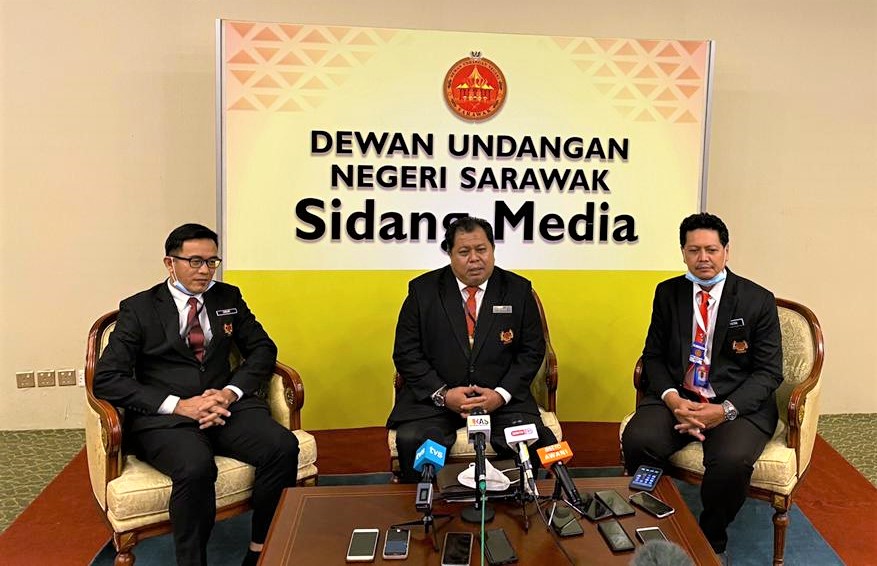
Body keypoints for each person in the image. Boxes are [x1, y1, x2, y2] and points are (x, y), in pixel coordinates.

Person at [93, 223, 299, 566]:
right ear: (169, 263)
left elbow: (263, 348)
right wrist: (179, 405)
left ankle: (261, 549)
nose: (205, 270)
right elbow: (108, 379)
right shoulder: (139, 308)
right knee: (195, 467)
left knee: (282, 446)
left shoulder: (228, 298)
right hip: (167, 419)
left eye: (212, 261)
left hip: (225, 407)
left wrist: (230, 392)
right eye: (195, 261)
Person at [621, 213, 783, 559]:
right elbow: (653, 356)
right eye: (694, 250)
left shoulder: (757, 299)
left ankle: (710, 539)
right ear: (683, 252)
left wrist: (723, 411)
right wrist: (672, 400)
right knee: (639, 439)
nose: (703, 258)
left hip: (736, 404)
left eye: (711, 249)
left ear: (727, 251)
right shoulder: (668, 293)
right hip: (680, 397)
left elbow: (769, 373)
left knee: (731, 461)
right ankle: (656, 523)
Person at [387, 216, 557, 483]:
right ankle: (427, 502)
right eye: (464, 252)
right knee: (413, 439)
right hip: (436, 403)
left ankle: (517, 501)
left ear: (493, 249)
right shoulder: (423, 291)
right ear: (450, 254)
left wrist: (500, 395)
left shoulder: (518, 290)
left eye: (481, 249)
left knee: (530, 437)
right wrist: (444, 395)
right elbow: (406, 353)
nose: (475, 259)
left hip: (503, 402)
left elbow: (532, 351)